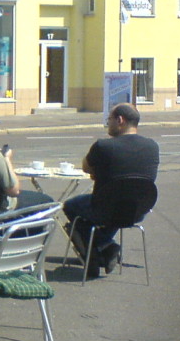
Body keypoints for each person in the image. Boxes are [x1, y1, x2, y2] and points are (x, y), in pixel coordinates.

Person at [63, 103, 160, 277]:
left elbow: (86, 167)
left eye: (109, 119)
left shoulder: (104, 146)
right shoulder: (153, 146)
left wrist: (98, 172)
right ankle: (101, 250)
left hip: (104, 208)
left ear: (120, 120)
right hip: (137, 210)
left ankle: (105, 247)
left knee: (70, 206)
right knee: (115, 209)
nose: (107, 124)